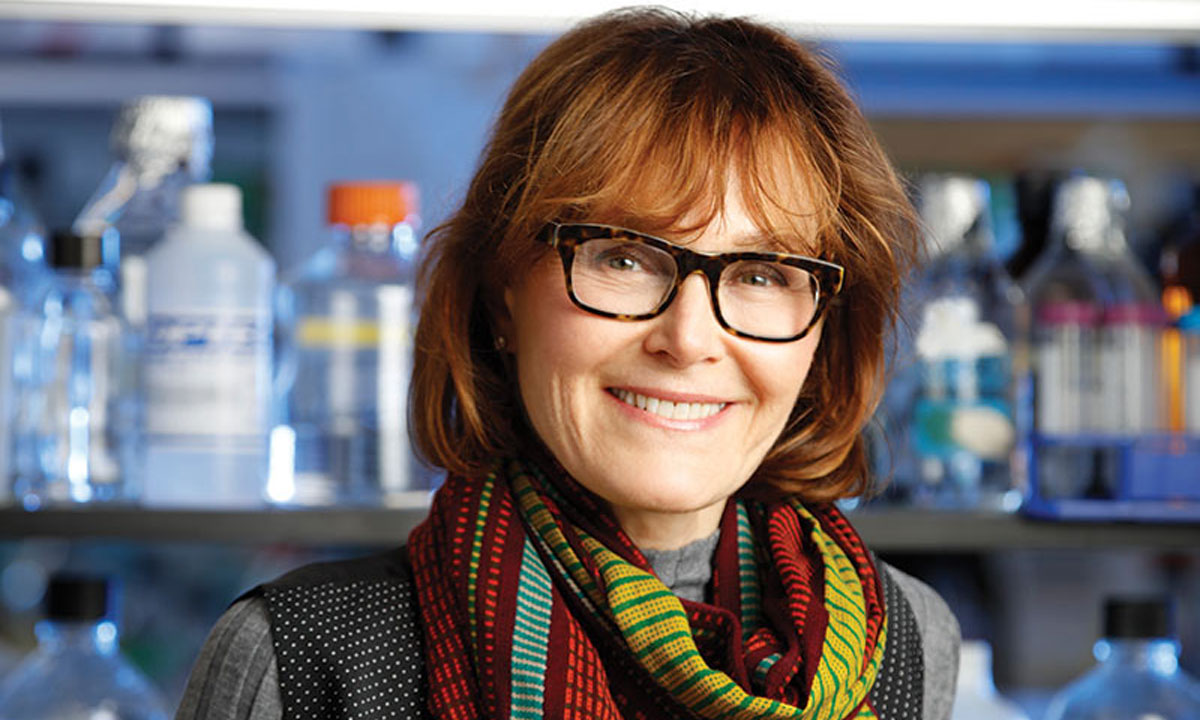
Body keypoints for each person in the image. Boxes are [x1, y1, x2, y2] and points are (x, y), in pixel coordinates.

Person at [177, 8, 960, 720]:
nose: (687, 340)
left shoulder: (903, 644)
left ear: (824, 329)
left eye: (761, 275)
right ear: (502, 295)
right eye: (624, 258)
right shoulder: (304, 657)